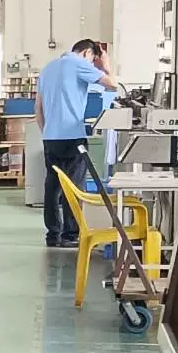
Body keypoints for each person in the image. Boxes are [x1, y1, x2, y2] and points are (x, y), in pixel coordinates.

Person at [38, 37, 122, 249]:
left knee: (52, 187)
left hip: (50, 137)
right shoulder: (78, 64)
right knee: (74, 186)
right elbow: (113, 85)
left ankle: (53, 235)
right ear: (87, 53)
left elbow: (38, 107)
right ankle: (70, 235)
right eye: (93, 59)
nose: (92, 64)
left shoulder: (48, 68)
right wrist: (106, 65)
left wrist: (47, 132)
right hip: (72, 136)